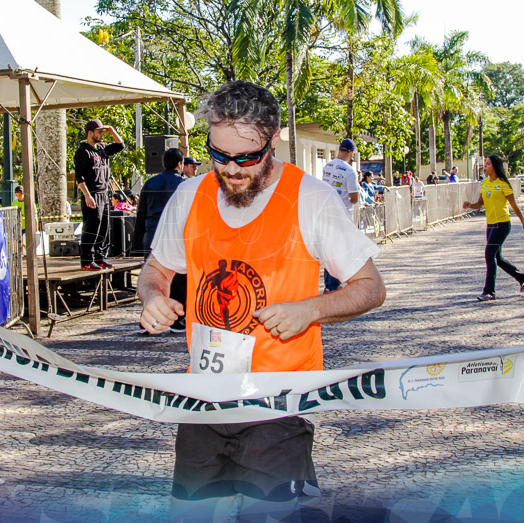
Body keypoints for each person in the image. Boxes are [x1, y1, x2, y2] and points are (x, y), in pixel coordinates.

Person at [136, 81, 385, 519]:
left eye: (245, 157)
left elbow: (370, 287)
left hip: (279, 405)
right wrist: (153, 297)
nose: (231, 169)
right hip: (204, 402)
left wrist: (311, 308)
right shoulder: (190, 195)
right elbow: (155, 271)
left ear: (271, 143)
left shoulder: (312, 199)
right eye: (219, 155)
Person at [462, 154, 524, 302]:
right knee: (497, 258)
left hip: (502, 224)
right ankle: (522, 276)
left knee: (489, 254)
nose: (485, 166)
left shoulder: (503, 184)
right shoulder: (485, 183)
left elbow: (515, 207)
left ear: (495, 166)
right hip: (491, 224)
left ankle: (489, 292)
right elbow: (480, 203)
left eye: (487, 164)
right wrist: (470, 205)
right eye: (485, 164)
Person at [132, 147, 187, 335]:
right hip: (174, 233)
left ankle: (147, 320)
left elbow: (140, 214)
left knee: (153, 276)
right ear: (180, 164)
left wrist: (136, 241)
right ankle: (178, 320)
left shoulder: (149, 183)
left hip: (151, 233)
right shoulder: (183, 184)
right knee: (178, 277)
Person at [73, 119, 124, 271]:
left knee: (103, 227)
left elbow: (120, 145)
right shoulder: (83, 151)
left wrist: (112, 131)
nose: (102, 135)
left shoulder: (102, 148)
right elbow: (79, 177)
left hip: (104, 192)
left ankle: (100, 258)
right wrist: (87, 195)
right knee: (92, 227)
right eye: (99, 132)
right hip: (92, 193)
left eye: (103, 132)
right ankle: (87, 261)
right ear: (90, 133)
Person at [320, 138, 361, 291]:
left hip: (327, 212)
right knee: (339, 251)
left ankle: (329, 284)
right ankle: (334, 285)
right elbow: (354, 197)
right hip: (342, 215)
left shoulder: (327, 166)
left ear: (339, 149)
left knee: (329, 250)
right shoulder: (350, 171)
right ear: (351, 152)